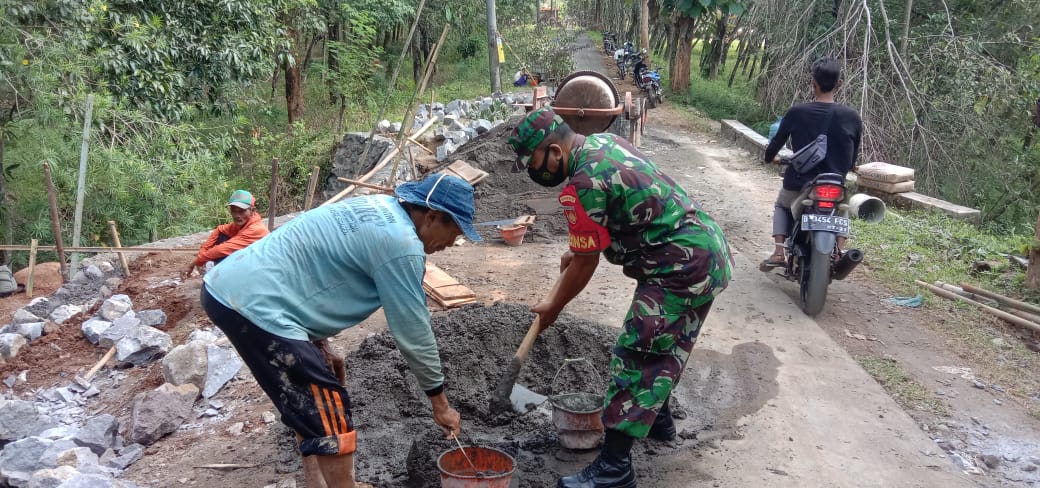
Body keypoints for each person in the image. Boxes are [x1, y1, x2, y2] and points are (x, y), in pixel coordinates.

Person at [200, 173, 481, 488]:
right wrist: (440, 404)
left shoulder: (379, 206)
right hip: (253, 304)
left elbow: (316, 265)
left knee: (309, 396)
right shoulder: (402, 245)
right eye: (453, 233)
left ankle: (316, 483)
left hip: (231, 288)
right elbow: (413, 331)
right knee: (329, 408)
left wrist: (317, 340)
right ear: (431, 216)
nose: (449, 245)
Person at [507, 107, 732, 488]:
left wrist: (553, 307)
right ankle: (658, 421)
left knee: (637, 353)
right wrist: (577, 250)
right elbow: (608, 221)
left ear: (555, 153)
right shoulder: (602, 144)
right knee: (670, 344)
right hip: (706, 253)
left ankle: (614, 468)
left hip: (677, 267)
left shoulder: (581, 183)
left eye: (533, 162)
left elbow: (584, 265)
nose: (533, 171)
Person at [761, 57, 863, 268]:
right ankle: (839, 252)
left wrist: (772, 158)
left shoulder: (797, 112)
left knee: (782, 205)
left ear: (813, 82)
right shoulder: (852, 116)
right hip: (835, 182)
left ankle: (779, 252)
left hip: (800, 182)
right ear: (839, 84)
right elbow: (853, 154)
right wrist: (849, 166)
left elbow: (775, 145)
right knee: (842, 209)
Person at [183, 189, 269, 278]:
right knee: (221, 237)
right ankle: (216, 272)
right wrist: (202, 255)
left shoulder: (256, 229)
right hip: (249, 262)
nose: (237, 215)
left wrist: (194, 263)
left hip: (261, 270)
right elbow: (220, 230)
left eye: (241, 211)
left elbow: (220, 250)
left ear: (253, 211)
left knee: (221, 252)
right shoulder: (244, 223)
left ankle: (221, 278)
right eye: (234, 211)